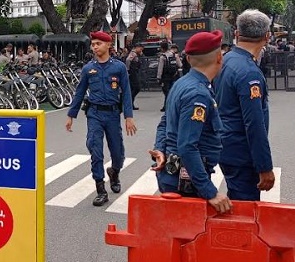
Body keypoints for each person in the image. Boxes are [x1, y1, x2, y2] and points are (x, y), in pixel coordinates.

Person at [150, 30, 232, 213]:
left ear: (187, 59)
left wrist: (159, 150)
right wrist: (210, 192)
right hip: (186, 181)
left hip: (174, 173)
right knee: (188, 237)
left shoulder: (182, 83)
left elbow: (165, 122)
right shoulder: (197, 93)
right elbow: (187, 146)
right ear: (220, 58)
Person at [66, 31, 137, 207]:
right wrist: (71, 115)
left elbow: (126, 93)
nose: (95, 46)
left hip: (113, 114)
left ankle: (114, 171)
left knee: (117, 151)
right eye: (93, 44)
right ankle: (100, 189)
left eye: (98, 43)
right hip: (94, 114)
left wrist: (129, 116)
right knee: (95, 150)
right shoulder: (88, 68)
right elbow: (80, 92)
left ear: (108, 45)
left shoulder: (119, 67)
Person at [214, 9, 274, 201]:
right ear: (267, 37)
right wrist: (264, 166)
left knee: (237, 200)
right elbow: (254, 123)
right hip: (241, 152)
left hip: (225, 144)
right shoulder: (249, 72)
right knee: (246, 208)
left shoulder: (225, 60)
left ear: (237, 34)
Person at [156, 41, 181, 111]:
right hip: (174, 76)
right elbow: (180, 64)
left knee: (166, 92)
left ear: (162, 48)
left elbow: (160, 68)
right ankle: (171, 105)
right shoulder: (174, 55)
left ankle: (166, 106)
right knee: (171, 91)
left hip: (165, 76)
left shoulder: (162, 57)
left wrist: (158, 78)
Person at [125, 45, 144, 110]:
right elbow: (128, 60)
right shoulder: (133, 54)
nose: (141, 51)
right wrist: (127, 70)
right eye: (140, 49)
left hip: (134, 72)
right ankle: (130, 102)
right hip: (132, 72)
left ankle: (131, 103)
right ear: (137, 47)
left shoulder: (136, 54)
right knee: (136, 88)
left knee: (133, 88)